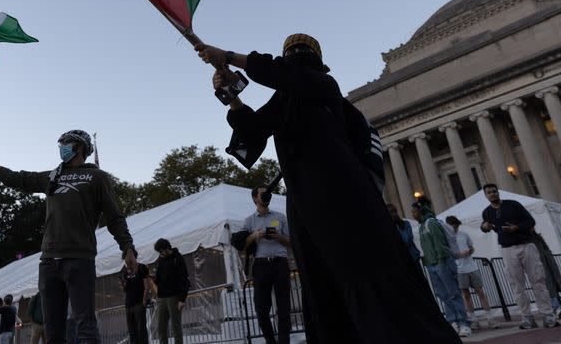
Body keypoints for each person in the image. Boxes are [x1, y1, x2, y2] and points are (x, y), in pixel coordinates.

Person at [196, 35, 461, 343]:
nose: (295, 56)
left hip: (344, 194)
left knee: (366, 271)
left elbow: (285, 74)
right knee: (321, 282)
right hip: (305, 203)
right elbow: (253, 131)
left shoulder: (323, 85)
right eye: (291, 51)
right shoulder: (284, 99)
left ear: (316, 63)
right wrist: (233, 95)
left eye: (300, 52)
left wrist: (227, 56)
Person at [0, 129, 136, 344]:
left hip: (79, 259)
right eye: (60, 144)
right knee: (52, 332)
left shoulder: (96, 177)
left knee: (85, 325)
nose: (61, 148)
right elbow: (15, 178)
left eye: (66, 143)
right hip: (49, 262)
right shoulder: (52, 177)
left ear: (79, 147)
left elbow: (114, 216)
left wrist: (127, 247)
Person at [480, 183, 557, 329]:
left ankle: (548, 315)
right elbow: (485, 225)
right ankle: (527, 317)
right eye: (489, 192)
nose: (492, 194)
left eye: (494, 191)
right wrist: (484, 227)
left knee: (538, 280)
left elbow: (530, 221)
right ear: (485, 195)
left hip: (526, 245)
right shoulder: (487, 212)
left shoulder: (513, 205)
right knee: (516, 285)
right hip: (507, 249)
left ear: (498, 192)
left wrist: (517, 227)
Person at [412, 198, 472, 337]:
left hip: (442, 262)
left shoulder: (431, 223)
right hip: (433, 264)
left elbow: (440, 243)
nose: (413, 214)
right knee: (443, 295)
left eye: (414, 211)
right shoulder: (422, 226)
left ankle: (464, 323)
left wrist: (440, 261)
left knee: (453, 293)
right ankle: (453, 321)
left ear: (420, 210)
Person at [240, 186, 291, 344]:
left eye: (268, 193)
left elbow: (291, 242)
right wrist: (256, 235)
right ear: (255, 198)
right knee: (261, 310)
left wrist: (278, 237)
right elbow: (241, 245)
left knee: (284, 308)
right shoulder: (249, 221)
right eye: (263, 194)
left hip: (280, 264)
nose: (267, 195)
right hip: (261, 266)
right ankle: (271, 341)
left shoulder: (280, 217)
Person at [445, 216, 496, 329]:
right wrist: (459, 255)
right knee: (465, 294)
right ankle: (473, 319)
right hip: (459, 269)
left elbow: (471, 247)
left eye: (456, 225)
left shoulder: (464, 235)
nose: (455, 228)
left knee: (480, 291)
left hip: (472, 267)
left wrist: (470, 251)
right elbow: (449, 254)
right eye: (453, 225)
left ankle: (490, 318)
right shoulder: (446, 238)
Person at [153, 238, 189, 344]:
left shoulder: (177, 258)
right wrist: (153, 278)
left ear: (167, 248)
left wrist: (182, 299)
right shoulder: (161, 260)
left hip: (174, 296)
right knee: (161, 326)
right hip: (162, 297)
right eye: (159, 252)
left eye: (161, 251)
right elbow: (158, 278)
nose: (160, 254)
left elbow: (184, 279)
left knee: (175, 326)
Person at [530, 229, 561, 319]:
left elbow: (546, 249)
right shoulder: (528, 239)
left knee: (552, 286)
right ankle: (557, 308)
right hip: (540, 264)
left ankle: (558, 308)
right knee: (548, 287)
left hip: (547, 263)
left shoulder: (537, 237)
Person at [119, 248, 151, 344]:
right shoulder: (125, 271)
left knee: (141, 329)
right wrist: (123, 284)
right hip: (129, 304)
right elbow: (125, 290)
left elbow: (147, 285)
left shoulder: (142, 268)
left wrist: (144, 301)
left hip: (139, 303)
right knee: (132, 331)